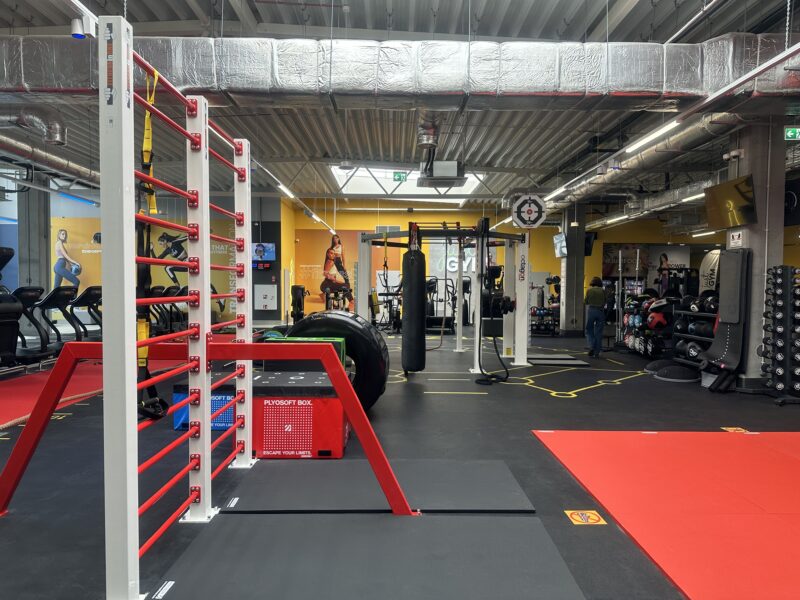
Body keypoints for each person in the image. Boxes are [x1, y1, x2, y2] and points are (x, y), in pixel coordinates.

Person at [584, 276, 606, 357]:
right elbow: (605, 301)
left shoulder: (589, 290)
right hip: (600, 311)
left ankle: (592, 346)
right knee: (599, 332)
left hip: (592, 311)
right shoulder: (603, 291)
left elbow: (586, 302)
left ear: (592, 283)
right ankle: (597, 352)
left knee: (589, 329)